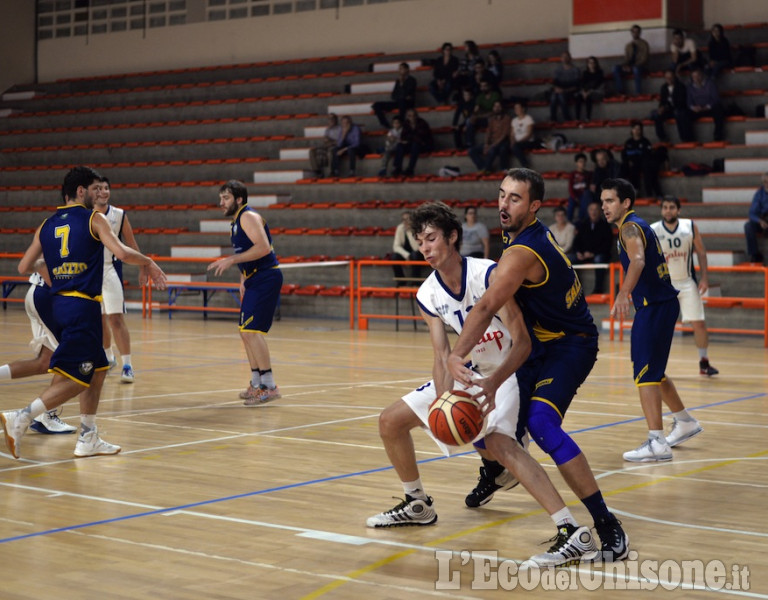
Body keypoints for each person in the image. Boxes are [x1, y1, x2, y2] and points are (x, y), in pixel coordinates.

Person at [367, 201, 604, 569]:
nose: (426, 248)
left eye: (432, 239)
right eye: (420, 241)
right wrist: (444, 398)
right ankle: (417, 503)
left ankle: (572, 532)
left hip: (510, 370)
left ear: (453, 237)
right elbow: (442, 352)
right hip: (472, 371)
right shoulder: (426, 293)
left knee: (499, 443)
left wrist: (493, 383)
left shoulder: (488, 273)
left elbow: (522, 341)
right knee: (390, 421)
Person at [447, 168, 629, 563]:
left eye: (514, 198)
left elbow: (485, 306)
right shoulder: (520, 236)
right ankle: (495, 471)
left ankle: (606, 524)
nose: (503, 204)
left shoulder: (521, 253)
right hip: (535, 346)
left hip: (570, 346)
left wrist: (455, 355)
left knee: (542, 425)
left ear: (534, 206)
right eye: (501, 194)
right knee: (478, 414)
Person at [1, 165, 167, 460]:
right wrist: (149, 262)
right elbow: (123, 253)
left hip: (60, 302)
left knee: (100, 366)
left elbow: (23, 267)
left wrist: (56, 270)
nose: (97, 194)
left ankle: (88, 435)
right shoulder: (95, 218)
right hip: (83, 304)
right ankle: (22, 417)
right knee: (81, 377)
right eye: (93, 189)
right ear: (80, 191)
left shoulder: (47, 223)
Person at [600, 178, 703, 462]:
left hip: (654, 306)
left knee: (644, 373)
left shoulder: (630, 227)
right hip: (662, 304)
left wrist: (623, 293)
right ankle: (685, 422)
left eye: (609, 201)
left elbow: (638, 261)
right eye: (602, 201)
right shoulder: (636, 225)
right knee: (654, 371)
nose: (604, 206)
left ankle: (657, 441)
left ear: (625, 203)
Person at [208, 180, 283, 406]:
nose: (221, 202)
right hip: (254, 278)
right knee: (245, 331)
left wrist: (231, 260)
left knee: (252, 330)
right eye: (221, 198)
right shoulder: (236, 222)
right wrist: (243, 278)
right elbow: (251, 252)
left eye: (226, 198)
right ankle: (256, 381)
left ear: (239, 199)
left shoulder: (247, 217)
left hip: (266, 277)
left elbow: (263, 248)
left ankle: (269, 386)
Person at [0, 272, 78, 434]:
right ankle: (46, 415)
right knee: (71, 358)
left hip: (40, 293)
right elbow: (27, 265)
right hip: (49, 296)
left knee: (45, 361)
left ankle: (44, 416)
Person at [651, 197, 719, 376]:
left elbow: (702, 253)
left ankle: (704, 363)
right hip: (665, 284)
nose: (668, 211)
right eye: (665, 207)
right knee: (660, 326)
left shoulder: (689, 226)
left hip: (687, 282)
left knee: (699, 324)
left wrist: (704, 278)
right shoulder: (654, 229)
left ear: (678, 210)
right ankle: (655, 364)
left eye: (672, 207)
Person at [95, 177, 142, 384]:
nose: (103, 192)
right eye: (99, 188)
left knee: (115, 318)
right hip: (90, 273)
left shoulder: (119, 215)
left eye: (106, 188)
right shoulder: (87, 215)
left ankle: (128, 365)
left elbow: (131, 243)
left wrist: (143, 266)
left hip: (110, 270)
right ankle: (107, 358)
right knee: (99, 319)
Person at [574, 201, 613, 294]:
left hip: (598, 254)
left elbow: (607, 245)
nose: (593, 212)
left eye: (596, 209)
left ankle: (598, 289)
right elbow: (576, 241)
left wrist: (592, 253)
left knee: (599, 259)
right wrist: (579, 252)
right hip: (583, 255)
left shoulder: (606, 226)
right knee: (569, 259)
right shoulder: (583, 225)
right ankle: (575, 289)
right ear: (588, 211)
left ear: (600, 211)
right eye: (591, 209)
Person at [621, 120, 662, 198]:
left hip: (643, 165)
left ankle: (650, 193)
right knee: (625, 168)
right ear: (632, 130)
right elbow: (624, 155)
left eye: (638, 129)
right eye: (635, 129)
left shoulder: (645, 142)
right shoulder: (628, 143)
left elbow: (648, 155)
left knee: (648, 169)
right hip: (632, 166)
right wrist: (628, 161)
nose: (636, 131)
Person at [468, 100, 510, 174]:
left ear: (502, 108)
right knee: (471, 150)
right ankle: (484, 167)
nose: (497, 108)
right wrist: (486, 144)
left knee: (493, 150)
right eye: (495, 106)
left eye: (498, 106)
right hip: (491, 142)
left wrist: (492, 145)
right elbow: (488, 132)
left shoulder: (507, 118)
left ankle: (486, 169)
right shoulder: (491, 119)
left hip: (501, 142)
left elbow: (504, 134)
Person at [651, 70, 693, 142]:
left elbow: (681, 102)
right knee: (655, 114)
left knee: (679, 113)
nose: (669, 79)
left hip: (679, 109)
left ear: (674, 77)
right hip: (668, 110)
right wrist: (661, 108)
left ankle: (685, 138)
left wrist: (666, 107)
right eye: (667, 78)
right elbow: (662, 101)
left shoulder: (681, 86)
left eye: (670, 77)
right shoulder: (664, 87)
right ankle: (662, 137)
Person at [371, 62, 417, 128]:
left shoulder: (412, 80)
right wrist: (402, 95)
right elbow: (393, 95)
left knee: (402, 101)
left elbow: (408, 93)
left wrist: (402, 84)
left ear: (407, 69)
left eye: (401, 68)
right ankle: (385, 124)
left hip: (408, 103)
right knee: (377, 105)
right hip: (398, 101)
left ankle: (401, 123)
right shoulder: (398, 81)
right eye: (399, 69)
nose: (400, 70)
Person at [686, 67, 725, 142]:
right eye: (694, 77)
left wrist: (706, 107)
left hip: (709, 109)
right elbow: (689, 102)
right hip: (697, 110)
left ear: (702, 75)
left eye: (698, 76)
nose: (696, 78)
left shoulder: (710, 84)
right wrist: (693, 107)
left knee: (719, 109)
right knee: (684, 114)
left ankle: (718, 135)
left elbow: (716, 99)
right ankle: (689, 139)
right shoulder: (690, 87)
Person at [393, 108, 433, 177]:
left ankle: (410, 169)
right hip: (412, 144)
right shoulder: (406, 124)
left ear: (417, 116)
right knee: (400, 145)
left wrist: (410, 138)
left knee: (415, 145)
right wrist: (409, 139)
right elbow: (404, 137)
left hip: (424, 145)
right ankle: (398, 168)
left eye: (414, 115)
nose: (412, 118)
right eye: (409, 116)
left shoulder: (422, 123)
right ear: (407, 117)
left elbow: (421, 138)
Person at [612, 24, 650, 96]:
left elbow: (644, 59)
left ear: (640, 33)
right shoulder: (628, 45)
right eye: (633, 32)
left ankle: (638, 93)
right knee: (615, 68)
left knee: (636, 69)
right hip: (630, 66)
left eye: (637, 32)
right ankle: (621, 91)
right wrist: (625, 66)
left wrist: (632, 66)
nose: (635, 33)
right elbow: (626, 58)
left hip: (641, 67)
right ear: (631, 33)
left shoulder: (644, 44)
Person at [464, 79, 502, 147]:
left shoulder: (495, 95)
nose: (483, 88)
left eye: (485, 86)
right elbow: (476, 111)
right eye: (481, 86)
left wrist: (482, 114)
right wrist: (476, 116)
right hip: (483, 118)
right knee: (469, 120)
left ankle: (492, 143)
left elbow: (495, 111)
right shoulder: (480, 97)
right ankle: (469, 144)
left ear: (489, 86)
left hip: (494, 118)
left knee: (491, 118)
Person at [744, 172, 768, 263]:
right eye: (765, 182)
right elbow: (752, 213)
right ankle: (754, 254)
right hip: (763, 220)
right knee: (748, 226)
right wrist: (760, 221)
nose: (767, 184)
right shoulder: (759, 194)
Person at [549, 51, 580, 122]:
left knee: (561, 96)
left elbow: (576, 85)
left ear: (570, 58)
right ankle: (553, 118)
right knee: (553, 96)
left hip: (571, 91)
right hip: (560, 91)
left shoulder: (575, 70)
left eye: (566, 57)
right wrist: (557, 89)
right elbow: (554, 83)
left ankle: (567, 118)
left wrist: (565, 90)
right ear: (561, 59)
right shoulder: (558, 70)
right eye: (563, 57)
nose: (565, 58)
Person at [391, 210, 422, 279]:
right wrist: (407, 255)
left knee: (415, 255)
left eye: (408, 219)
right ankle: (401, 281)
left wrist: (410, 231)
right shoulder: (400, 228)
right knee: (394, 257)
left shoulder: (417, 228)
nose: (406, 222)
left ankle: (415, 282)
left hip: (418, 253)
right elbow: (396, 246)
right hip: (406, 254)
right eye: (404, 219)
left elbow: (417, 247)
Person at [309, 113, 341, 178]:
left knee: (330, 153)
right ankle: (318, 171)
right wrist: (329, 141)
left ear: (336, 120)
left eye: (332, 118)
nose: (331, 120)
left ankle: (331, 172)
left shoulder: (340, 129)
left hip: (335, 147)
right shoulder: (327, 129)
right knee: (312, 151)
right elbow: (325, 140)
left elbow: (340, 141)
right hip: (327, 146)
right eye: (329, 119)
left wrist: (331, 141)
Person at [575, 56, 604, 122]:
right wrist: (583, 92)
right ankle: (577, 118)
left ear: (596, 64)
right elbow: (582, 84)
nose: (592, 64)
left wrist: (588, 92)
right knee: (578, 97)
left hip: (596, 92)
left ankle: (588, 117)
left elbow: (597, 85)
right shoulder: (585, 73)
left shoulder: (600, 73)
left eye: (593, 63)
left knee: (589, 97)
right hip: (586, 91)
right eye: (590, 63)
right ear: (587, 64)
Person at [567, 152, 592, 223]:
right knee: (571, 204)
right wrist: (574, 197)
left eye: (584, 161)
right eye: (580, 161)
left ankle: (580, 221)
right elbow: (570, 188)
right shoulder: (573, 174)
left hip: (584, 196)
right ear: (576, 163)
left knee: (584, 204)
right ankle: (569, 221)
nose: (582, 163)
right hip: (574, 195)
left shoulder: (588, 174)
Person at [510, 100, 536, 169]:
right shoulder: (514, 120)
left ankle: (525, 165)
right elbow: (512, 134)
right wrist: (512, 141)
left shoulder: (528, 119)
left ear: (523, 108)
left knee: (516, 146)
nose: (516, 110)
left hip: (528, 141)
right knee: (504, 147)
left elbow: (529, 134)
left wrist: (519, 141)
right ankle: (504, 168)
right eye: (515, 108)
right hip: (517, 142)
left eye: (518, 108)